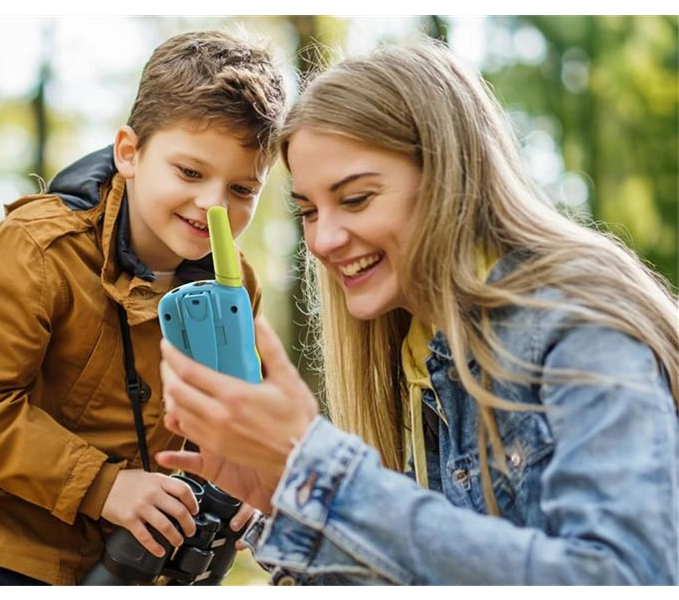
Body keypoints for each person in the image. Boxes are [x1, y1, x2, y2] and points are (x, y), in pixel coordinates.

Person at [156, 38, 679, 585]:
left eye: (356, 198)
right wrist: (284, 500)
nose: (324, 239)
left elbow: (625, 578)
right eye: (309, 211)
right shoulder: (417, 359)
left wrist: (323, 473)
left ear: (450, 178)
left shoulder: (575, 324)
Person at [0, 30, 286, 586]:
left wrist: (243, 476)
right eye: (190, 173)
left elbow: (229, 419)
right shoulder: (36, 247)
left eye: (243, 190)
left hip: (139, 568)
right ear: (129, 152)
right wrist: (104, 487)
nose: (213, 206)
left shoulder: (236, 288)